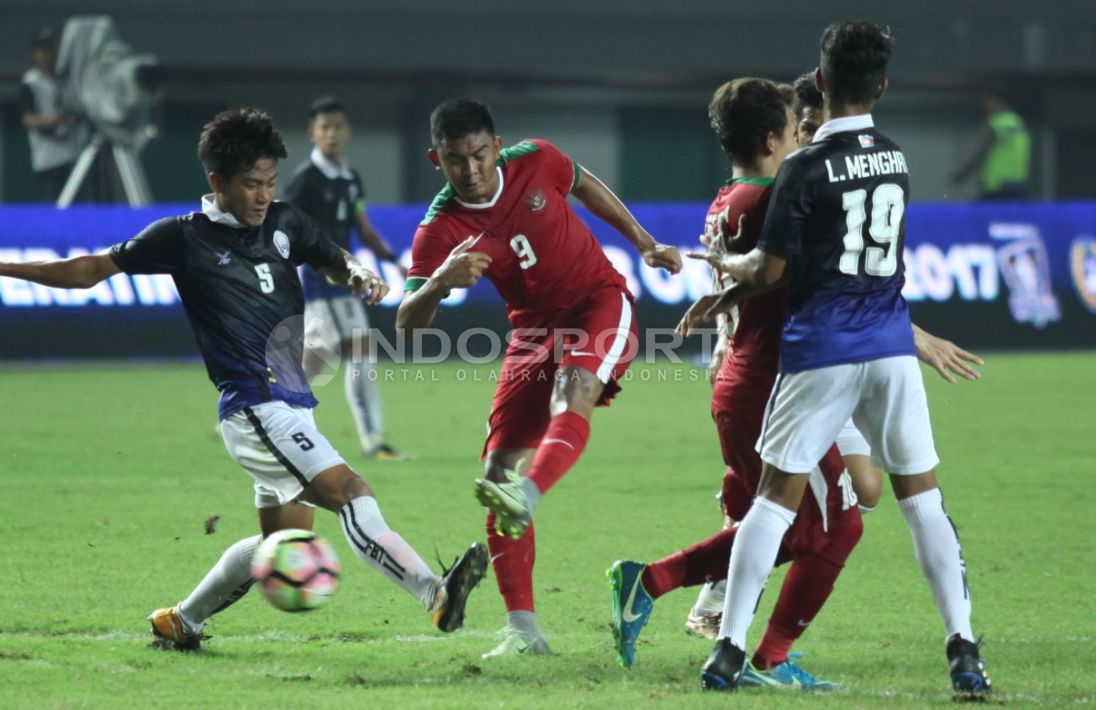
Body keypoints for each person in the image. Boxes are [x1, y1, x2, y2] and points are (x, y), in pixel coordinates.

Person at [0, 107, 488, 651]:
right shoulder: (183, 238)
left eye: (270, 182)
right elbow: (91, 270)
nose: (263, 195)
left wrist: (357, 272)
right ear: (216, 181)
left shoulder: (286, 222)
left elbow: (330, 255)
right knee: (351, 492)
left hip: (291, 405)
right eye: (251, 184)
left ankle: (182, 620)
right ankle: (434, 594)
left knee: (283, 542)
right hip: (254, 406)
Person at [690, 22, 992, 696]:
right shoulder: (896, 159)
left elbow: (770, 269)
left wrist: (725, 265)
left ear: (819, 86)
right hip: (889, 346)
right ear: (881, 87)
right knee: (924, 501)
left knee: (771, 503)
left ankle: (728, 651)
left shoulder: (801, 167)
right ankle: (964, 650)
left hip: (821, 349)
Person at [396, 98, 682, 657]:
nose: (472, 170)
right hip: (531, 332)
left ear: (497, 147)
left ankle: (530, 493)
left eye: (480, 155)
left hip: (599, 301)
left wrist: (644, 241)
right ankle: (525, 633)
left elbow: (584, 183)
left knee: (570, 395)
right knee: (496, 470)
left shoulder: (538, 159)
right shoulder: (439, 230)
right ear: (437, 160)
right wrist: (439, 283)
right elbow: (407, 323)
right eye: (456, 161)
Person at [609, 77, 861, 690]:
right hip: (774, 389)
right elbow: (804, 277)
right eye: (794, 125)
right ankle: (767, 659)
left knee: (775, 526)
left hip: (746, 381)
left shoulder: (728, 197)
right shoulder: (773, 198)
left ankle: (651, 583)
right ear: (774, 136)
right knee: (835, 529)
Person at [283, 97, 408, 461]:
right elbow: (285, 228)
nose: (332, 133)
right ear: (312, 134)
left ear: (348, 131)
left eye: (337, 126)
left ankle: (258, 407)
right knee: (361, 352)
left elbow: (363, 228)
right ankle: (373, 441)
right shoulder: (306, 180)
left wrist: (392, 262)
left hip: (344, 278)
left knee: (315, 361)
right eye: (324, 127)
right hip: (323, 279)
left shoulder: (351, 179)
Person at [21, 25, 89, 203]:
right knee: (51, 215)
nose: (49, 54)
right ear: (35, 53)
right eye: (44, 49)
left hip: (76, 158)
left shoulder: (69, 79)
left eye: (53, 48)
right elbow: (28, 119)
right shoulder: (32, 82)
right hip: (48, 160)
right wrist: (53, 120)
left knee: (82, 213)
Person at [950, 92, 1030, 200]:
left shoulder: (995, 123)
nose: (984, 106)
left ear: (998, 101)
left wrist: (961, 174)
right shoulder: (1018, 122)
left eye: (987, 102)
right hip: (1017, 185)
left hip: (996, 187)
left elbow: (980, 153)